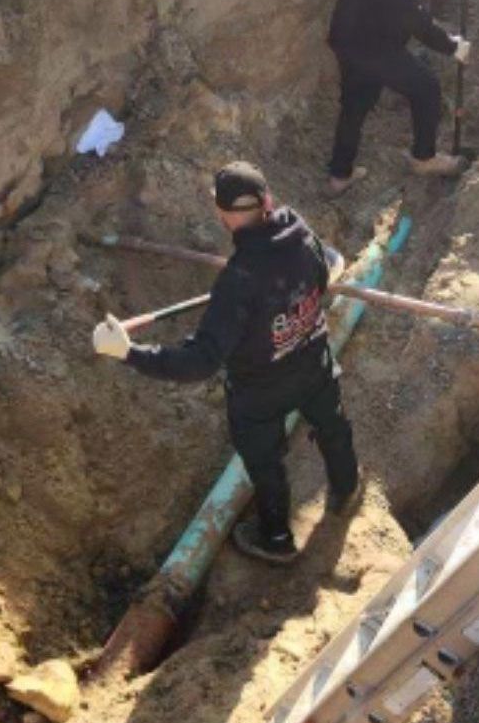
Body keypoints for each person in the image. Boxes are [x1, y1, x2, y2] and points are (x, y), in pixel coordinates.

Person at [91, 162, 359, 565]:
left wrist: (129, 352)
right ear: (268, 199)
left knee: (266, 464)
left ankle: (277, 539)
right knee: (333, 424)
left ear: (221, 214)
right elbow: (321, 277)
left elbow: (200, 361)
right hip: (313, 362)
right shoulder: (302, 235)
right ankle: (346, 487)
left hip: (259, 392)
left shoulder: (238, 283)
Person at [326, 0, 477, 196]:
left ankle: (339, 176)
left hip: (349, 36)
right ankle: (424, 158)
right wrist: (452, 46)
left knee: (355, 103)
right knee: (426, 88)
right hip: (374, 44)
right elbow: (415, 19)